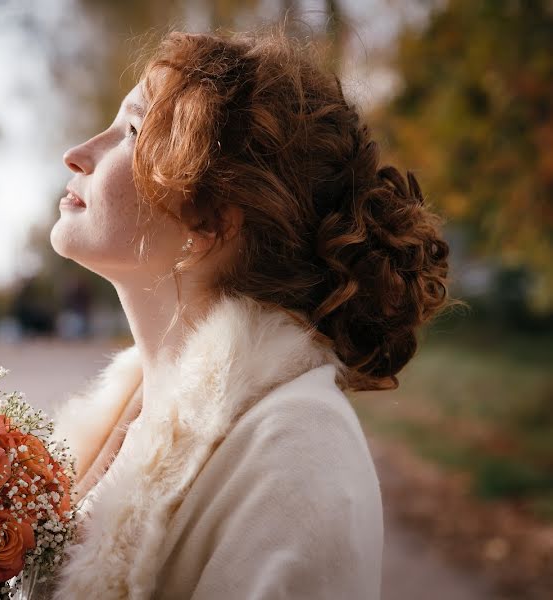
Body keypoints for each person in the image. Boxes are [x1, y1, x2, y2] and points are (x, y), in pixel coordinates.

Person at [45, 25, 452, 600]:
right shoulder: (128, 409)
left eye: (132, 130)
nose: (78, 153)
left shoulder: (300, 450)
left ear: (214, 222)